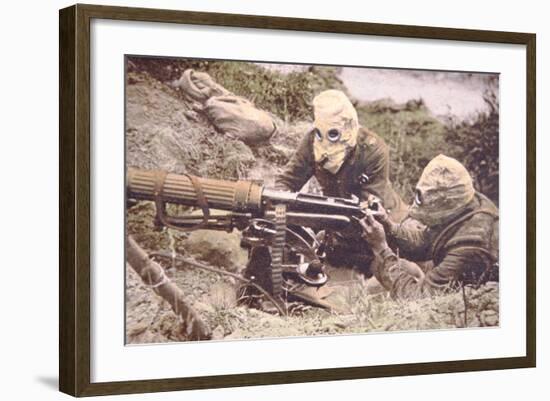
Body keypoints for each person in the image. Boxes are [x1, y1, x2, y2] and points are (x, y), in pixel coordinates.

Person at [276, 89, 407, 273]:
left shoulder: (373, 150)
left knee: (391, 271)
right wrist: (283, 208)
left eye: (333, 134)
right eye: (321, 133)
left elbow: (368, 212)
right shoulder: (312, 142)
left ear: (348, 126)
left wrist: (315, 218)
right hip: (338, 229)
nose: (325, 141)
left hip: (382, 227)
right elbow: (287, 181)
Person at [359, 154, 499, 299]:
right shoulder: (463, 202)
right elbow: (425, 240)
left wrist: (382, 249)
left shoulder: (471, 246)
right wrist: (387, 225)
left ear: (445, 205)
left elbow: (417, 298)